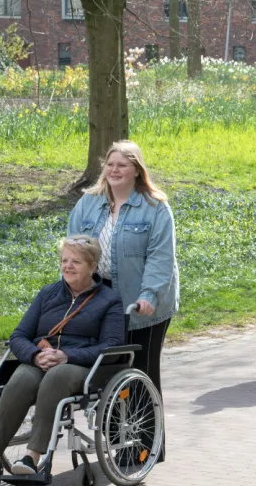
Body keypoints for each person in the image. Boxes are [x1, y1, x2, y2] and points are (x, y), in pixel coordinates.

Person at [0, 236, 125, 477]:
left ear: (92, 266)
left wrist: (66, 356)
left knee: (56, 377)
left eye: (76, 261)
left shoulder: (109, 300)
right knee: (20, 379)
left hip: (81, 365)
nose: (68, 266)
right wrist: (34, 356)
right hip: (41, 359)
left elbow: (112, 344)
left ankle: (32, 456)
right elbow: (19, 335)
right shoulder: (48, 294)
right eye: (64, 260)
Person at [68, 140, 179, 397]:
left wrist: (149, 295)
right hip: (102, 299)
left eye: (122, 165)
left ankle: (148, 436)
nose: (114, 170)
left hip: (143, 300)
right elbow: (73, 253)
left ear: (137, 170)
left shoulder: (155, 208)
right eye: (110, 164)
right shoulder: (87, 204)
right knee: (110, 376)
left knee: (141, 374)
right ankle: (116, 435)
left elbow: (160, 258)